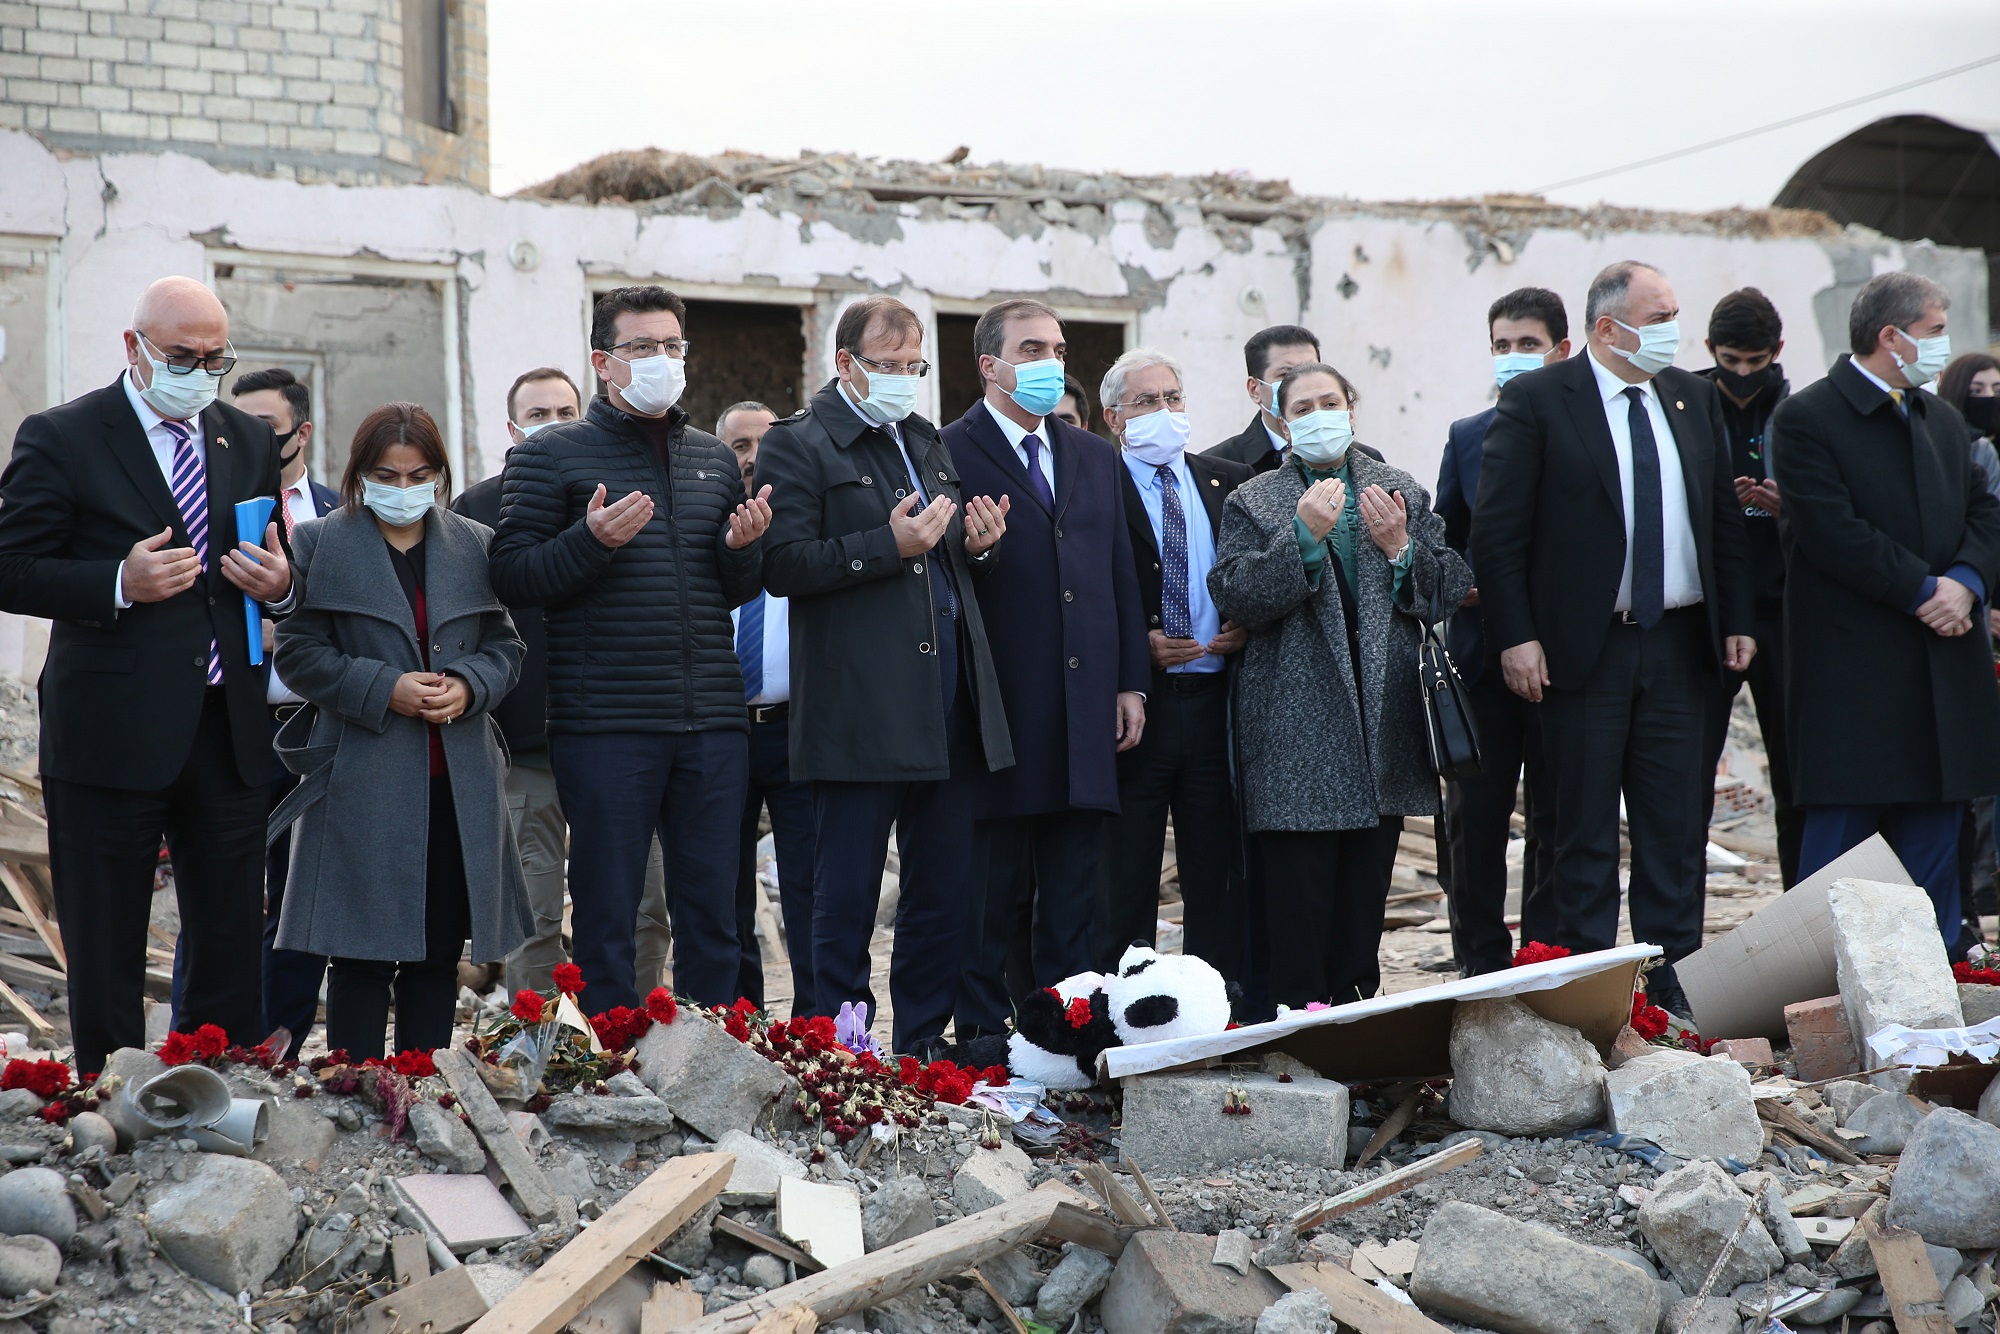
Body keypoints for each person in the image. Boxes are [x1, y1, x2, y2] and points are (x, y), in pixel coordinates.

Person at [0, 277, 294, 1074]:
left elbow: (271, 554)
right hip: (111, 729)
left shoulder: (246, 438)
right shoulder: (64, 436)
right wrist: (117, 581)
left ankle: (218, 1087)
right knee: (106, 935)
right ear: (134, 348)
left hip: (227, 726)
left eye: (215, 359)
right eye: (182, 357)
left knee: (231, 930)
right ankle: (110, 1093)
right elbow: (11, 565)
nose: (201, 373)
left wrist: (281, 584)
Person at [1473, 260, 1754, 1018]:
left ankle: (1674, 994)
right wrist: (1517, 637)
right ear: (1607, 328)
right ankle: (1589, 996)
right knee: (1583, 831)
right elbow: (1498, 535)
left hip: (1682, 645)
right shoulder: (1539, 400)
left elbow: (1721, 521)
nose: (1673, 330)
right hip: (1582, 651)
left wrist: (1737, 620)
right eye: (1658, 317)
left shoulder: (1691, 397)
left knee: (1675, 829)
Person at [490, 286, 771, 1011]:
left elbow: (730, 589)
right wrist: (589, 541)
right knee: (608, 910)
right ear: (602, 362)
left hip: (712, 718)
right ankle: (613, 1048)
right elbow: (513, 575)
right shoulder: (551, 455)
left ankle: (713, 1045)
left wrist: (743, 550)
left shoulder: (712, 459)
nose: (662, 359)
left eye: (672, 346)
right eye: (643, 347)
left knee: (713, 910)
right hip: (605, 723)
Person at [755, 295, 1013, 1055]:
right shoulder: (799, 444)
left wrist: (980, 548)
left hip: (948, 702)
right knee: (845, 895)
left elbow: (943, 562)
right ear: (846, 363)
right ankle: (843, 1049)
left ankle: (921, 1043)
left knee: (940, 892)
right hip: (859, 707)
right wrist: (883, 546)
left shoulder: (925, 440)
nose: (905, 378)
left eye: (915, 365)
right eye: (889, 364)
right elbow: (781, 564)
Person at [271, 402, 529, 1058]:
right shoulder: (320, 542)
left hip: (457, 781)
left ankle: (420, 1086)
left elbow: (505, 648)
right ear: (360, 473)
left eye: (419, 476)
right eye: (387, 475)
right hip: (362, 773)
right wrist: (385, 687)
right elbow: (299, 654)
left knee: (437, 956)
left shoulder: (475, 543)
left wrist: (468, 684)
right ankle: (357, 1083)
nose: (404, 489)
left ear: (440, 475)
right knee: (359, 954)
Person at [1210, 362, 1470, 1007]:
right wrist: (1302, 537)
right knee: (1297, 914)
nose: (1318, 416)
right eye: (1302, 408)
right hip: (1294, 734)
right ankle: (1301, 1032)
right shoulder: (1255, 499)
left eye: (1329, 403)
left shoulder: (1397, 488)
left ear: (1351, 410)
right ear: (1281, 422)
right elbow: (1236, 596)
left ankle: (1357, 1029)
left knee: (1361, 912)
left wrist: (1401, 547)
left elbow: (1448, 587)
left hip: (1384, 726)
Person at [1771, 272, 2000, 952]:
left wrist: (1965, 583)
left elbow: (1985, 512)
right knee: (1840, 857)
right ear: (1891, 337)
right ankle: (1820, 989)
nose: (1944, 344)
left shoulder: (1941, 420)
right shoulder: (1808, 418)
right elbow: (1832, 531)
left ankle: (1929, 986)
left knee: (1934, 841)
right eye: (1935, 330)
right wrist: (1924, 592)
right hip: (1855, 670)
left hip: (1943, 664)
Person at [947, 298, 1148, 1039]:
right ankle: (979, 1035)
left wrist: (1130, 682)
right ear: (990, 365)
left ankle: (1063, 1034)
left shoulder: (1092, 455)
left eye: (1058, 350)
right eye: (1032, 350)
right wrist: (978, 552)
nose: (1051, 364)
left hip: (1085, 702)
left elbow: (1119, 575)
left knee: (1072, 891)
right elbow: (943, 576)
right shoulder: (949, 450)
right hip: (1000, 703)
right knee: (990, 890)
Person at [453, 368, 671, 997]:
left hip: (619, 734)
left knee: (645, 906)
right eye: (537, 414)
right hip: (524, 744)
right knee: (534, 914)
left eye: (565, 412)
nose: (552, 424)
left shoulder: (626, 496)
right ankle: (539, 1041)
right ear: (512, 428)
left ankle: (638, 1028)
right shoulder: (477, 510)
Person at [1097, 348, 1252, 977]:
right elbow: (1083, 593)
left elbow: (1248, 573)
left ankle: (1214, 998)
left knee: (1216, 868)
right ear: (1114, 418)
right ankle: (1125, 1000)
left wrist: (1245, 622)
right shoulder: (1095, 484)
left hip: (1217, 703)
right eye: (1146, 401)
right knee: (1126, 870)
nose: (1164, 410)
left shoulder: (1227, 479)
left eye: (1172, 398)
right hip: (1140, 708)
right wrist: (1137, 648)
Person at [1434, 288, 1567, 975]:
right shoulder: (1468, 436)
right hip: (1482, 658)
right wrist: (1460, 580)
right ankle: (1480, 963)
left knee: (1557, 817)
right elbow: (1446, 538)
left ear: (1562, 350)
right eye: (1502, 345)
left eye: (1528, 344)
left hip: (1569, 659)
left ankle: (1544, 956)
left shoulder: (1587, 432)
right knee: (1476, 819)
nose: (1514, 357)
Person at [235, 366, 338, 1053]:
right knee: (225, 895)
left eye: (264, 429)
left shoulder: (338, 512)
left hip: (321, 734)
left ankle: (284, 1042)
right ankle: (209, 1040)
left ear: (301, 432)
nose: (248, 442)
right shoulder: (212, 509)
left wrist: (293, 629)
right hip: (241, 730)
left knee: (307, 897)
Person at [1694, 288, 1801, 886]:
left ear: (1776, 351)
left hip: (1784, 609)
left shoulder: (1801, 411)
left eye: (1755, 362)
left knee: (1796, 772)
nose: (1741, 375)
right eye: (1730, 360)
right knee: (1690, 771)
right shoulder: (1683, 404)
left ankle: (1801, 903)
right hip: (1708, 612)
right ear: (1710, 348)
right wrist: (1715, 507)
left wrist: (1794, 510)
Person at [718, 399, 818, 1014]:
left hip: (798, 728)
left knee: (809, 886)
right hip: (724, 732)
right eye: (739, 446)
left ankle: (815, 1029)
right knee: (725, 889)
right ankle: (740, 1023)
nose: (753, 456)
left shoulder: (807, 523)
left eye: (764, 442)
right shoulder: (707, 529)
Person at [1210, 324, 1383, 474]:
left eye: (1311, 369)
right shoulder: (1218, 468)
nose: (1302, 383)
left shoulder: (1368, 460)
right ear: (1254, 389)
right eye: (1286, 374)